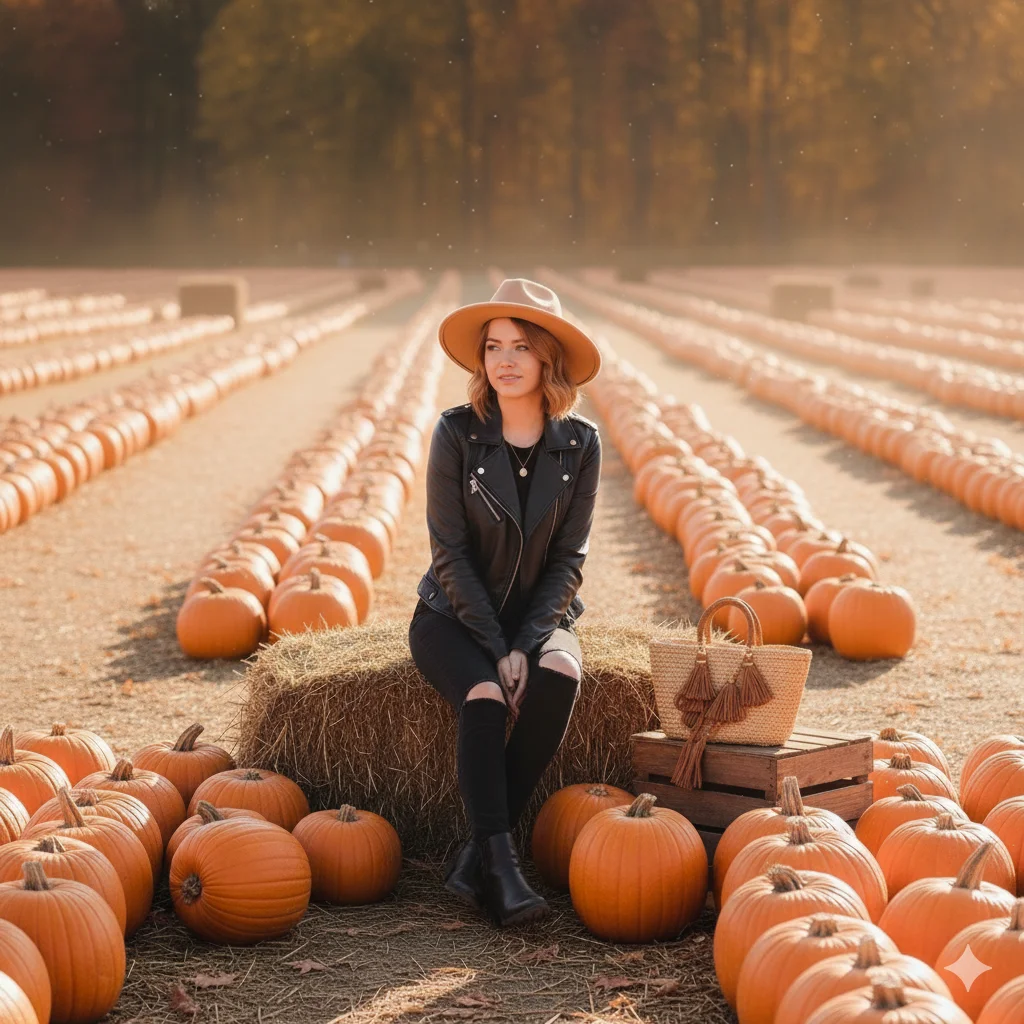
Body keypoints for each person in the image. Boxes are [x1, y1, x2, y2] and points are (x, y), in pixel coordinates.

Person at [408, 278, 603, 926]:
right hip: (453, 615)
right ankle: (503, 864)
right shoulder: (457, 434)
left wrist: (527, 643)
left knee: (563, 670)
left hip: (538, 617)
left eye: (522, 346)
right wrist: (496, 648)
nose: (506, 360)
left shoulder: (580, 445)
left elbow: (569, 559)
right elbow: (450, 554)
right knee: (486, 695)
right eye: (494, 346)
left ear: (548, 357)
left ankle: (476, 856)